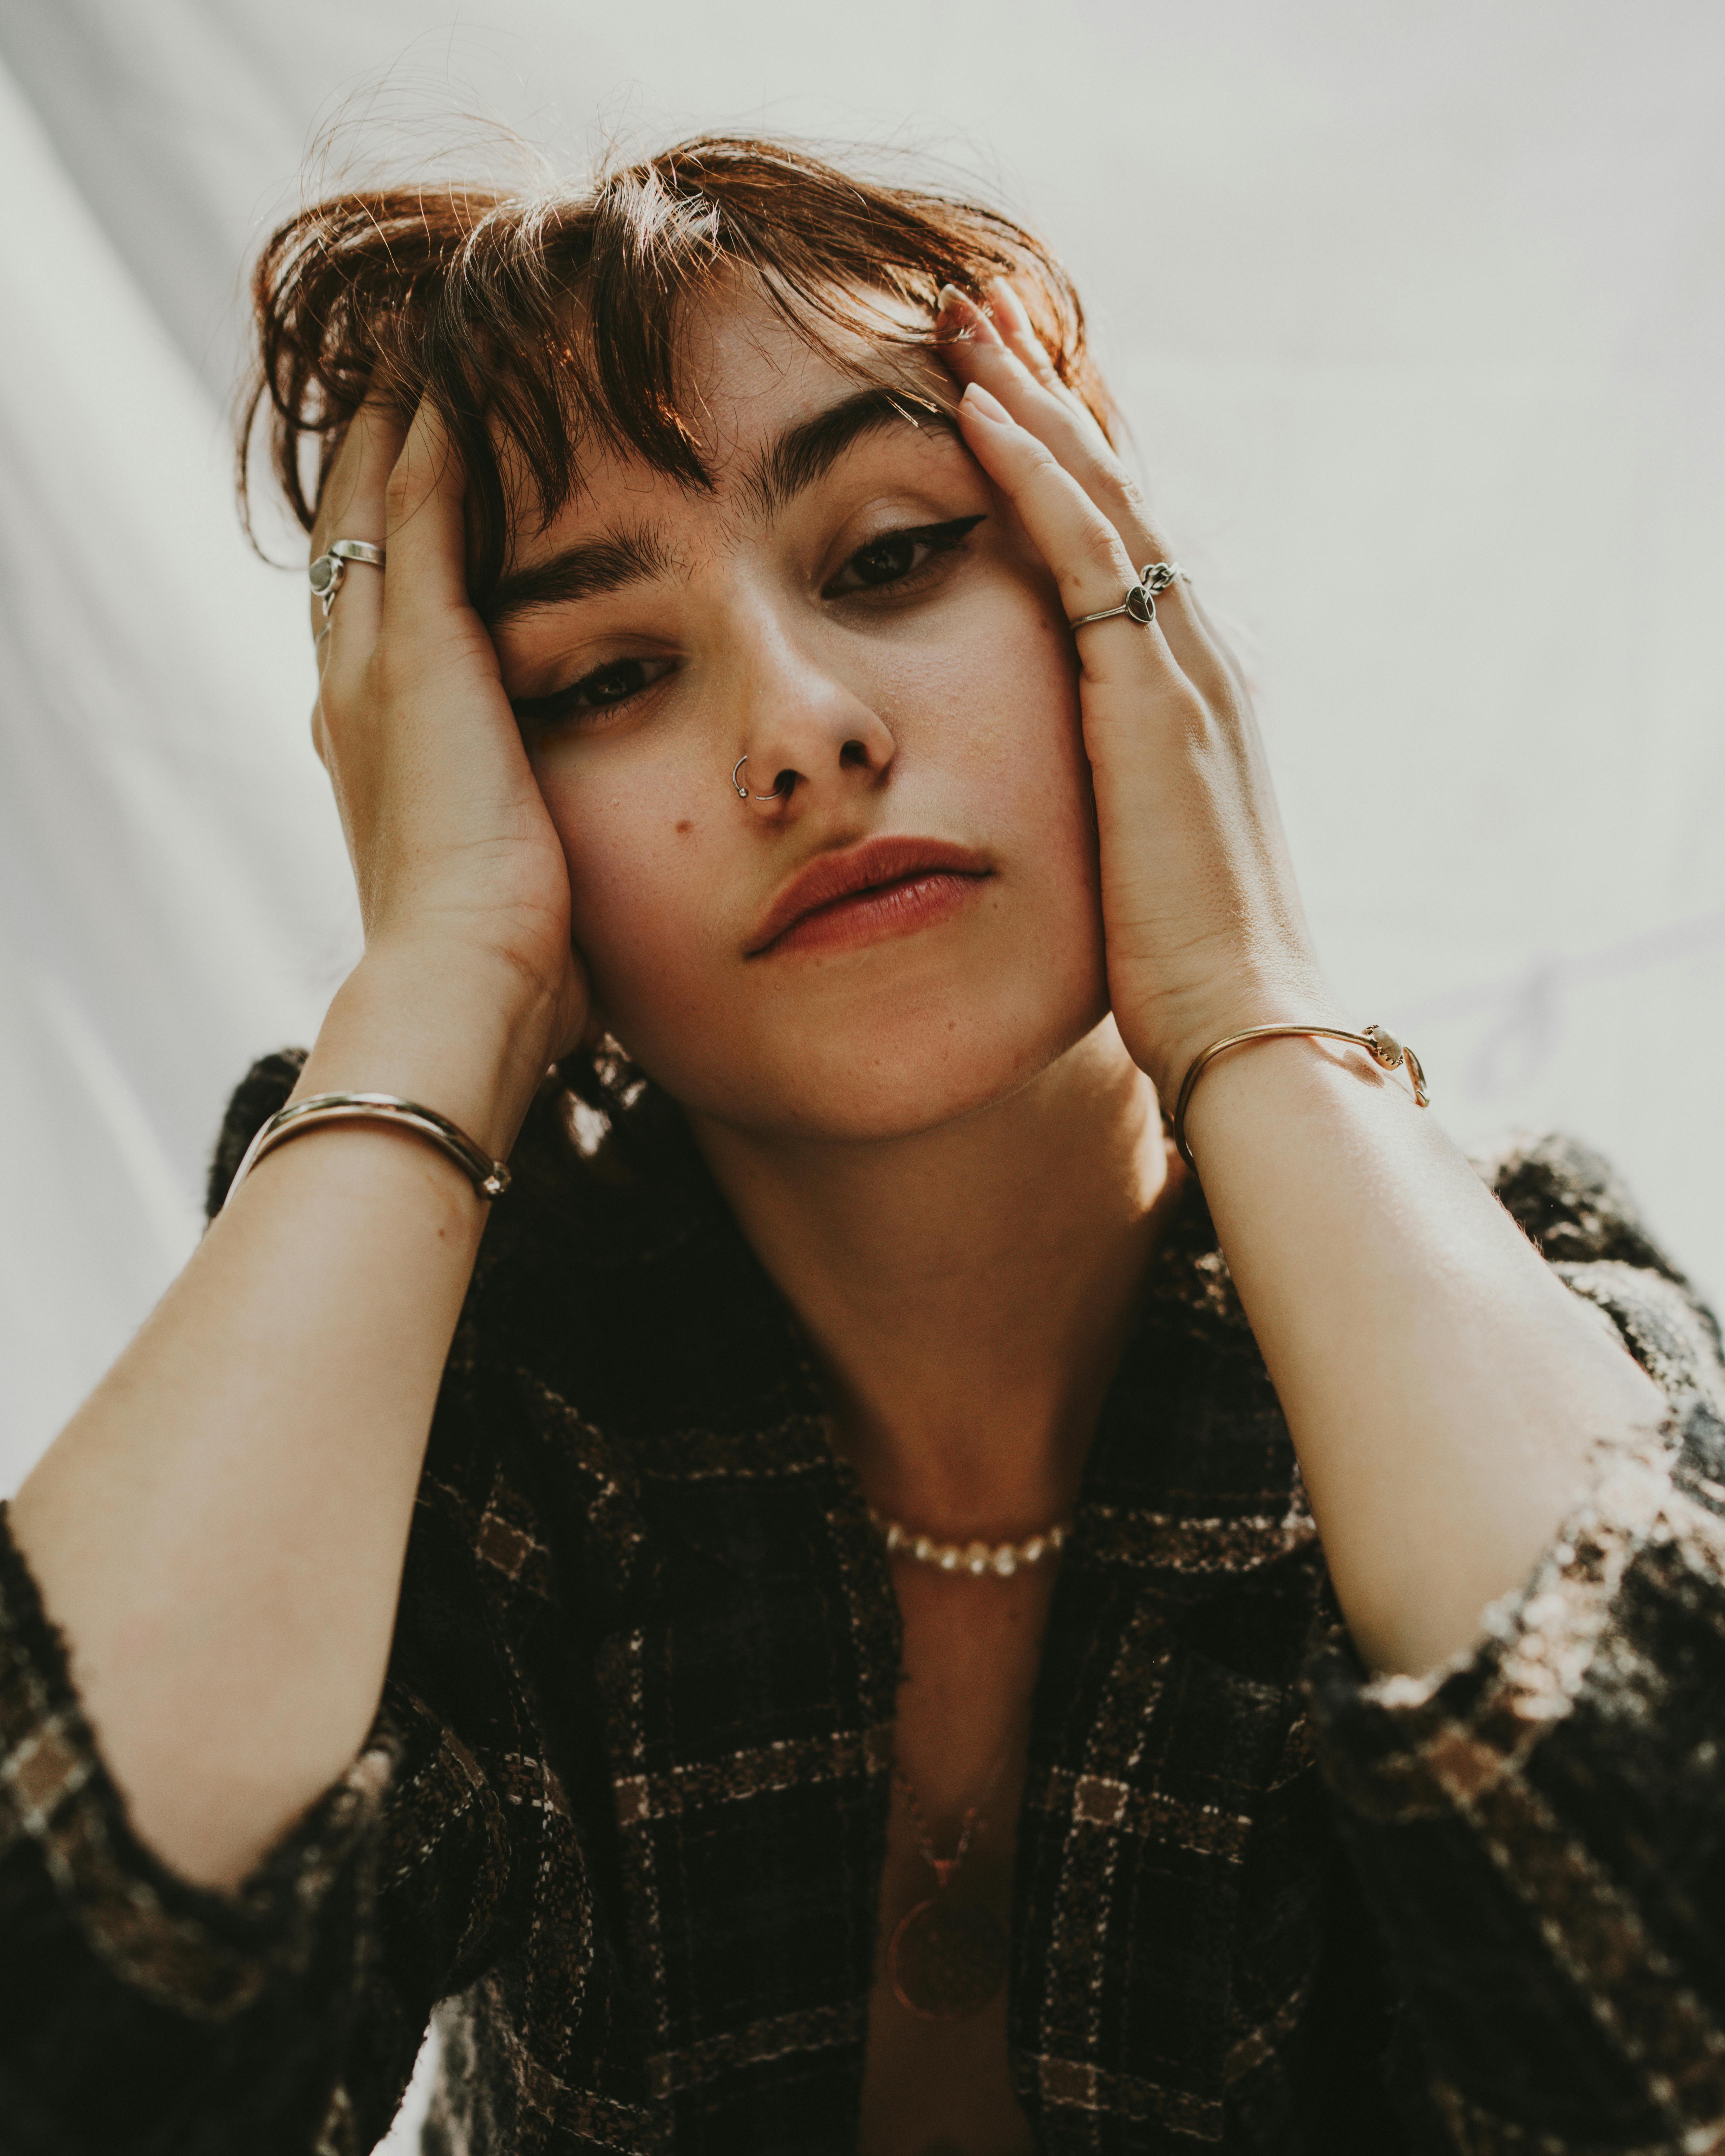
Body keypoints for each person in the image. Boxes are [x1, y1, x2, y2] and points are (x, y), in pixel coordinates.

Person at [2, 133, 1722, 2156]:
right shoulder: (474, 1362)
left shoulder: (1504, 1286)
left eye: (892, 558)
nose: (802, 728)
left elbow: (1675, 2023)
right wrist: (438, 976)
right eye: (607, 674)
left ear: (1106, 587)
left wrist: (1247, 1000)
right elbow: (69, 2035)